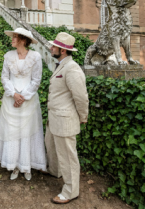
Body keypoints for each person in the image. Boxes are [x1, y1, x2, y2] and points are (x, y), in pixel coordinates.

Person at [0, 27, 47, 181]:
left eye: (15, 37)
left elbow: (36, 80)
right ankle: (14, 165)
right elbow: (4, 78)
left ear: (23, 40)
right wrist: (14, 94)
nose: (12, 39)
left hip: (29, 101)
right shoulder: (8, 56)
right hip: (11, 100)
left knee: (28, 132)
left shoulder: (35, 56)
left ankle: (26, 165)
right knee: (12, 132)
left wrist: (23, 97)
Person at [45, 32, 89, 204]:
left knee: (68, 157)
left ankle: (71, 191)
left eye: (54, 46)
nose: (51, 48)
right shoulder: (61, 65)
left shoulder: (72, 69)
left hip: (65, 119)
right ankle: (55, 171)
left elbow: (81, 96)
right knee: (53, 148)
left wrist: (83, 116)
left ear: (62, 50)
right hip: (55, 117)